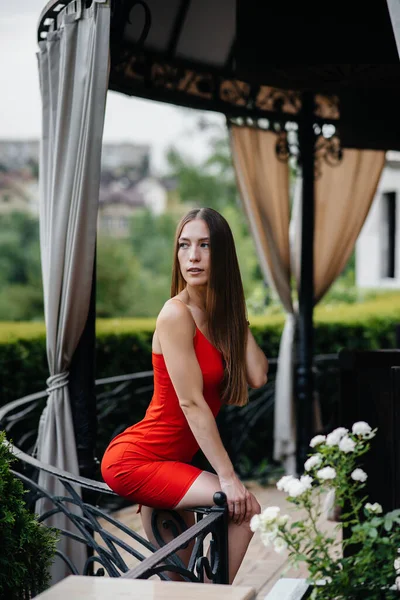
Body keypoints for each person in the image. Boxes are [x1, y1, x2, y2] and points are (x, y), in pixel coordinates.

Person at [101, 207, 269, 583]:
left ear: (222, 254)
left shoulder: (219, 315)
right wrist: (228, 478)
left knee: (179, 583)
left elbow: (257, 374)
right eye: (184, 245)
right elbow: (191, 404)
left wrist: (232, 309)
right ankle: (213, 594)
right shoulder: (175, 314)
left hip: (174, 464)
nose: (192, 256)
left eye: (205, 245)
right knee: (245, 510)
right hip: (138, 459)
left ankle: (206, 592)